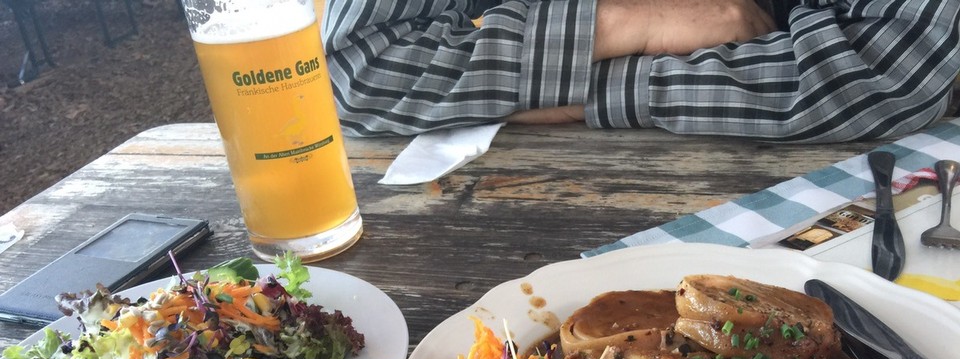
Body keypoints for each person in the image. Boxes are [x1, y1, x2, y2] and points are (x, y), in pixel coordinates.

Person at [321, 0, 960, 142]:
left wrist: (576, 83)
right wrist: (640, 24)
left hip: (794, 214)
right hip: (497, 229)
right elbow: (364, 69)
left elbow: (897, 71)